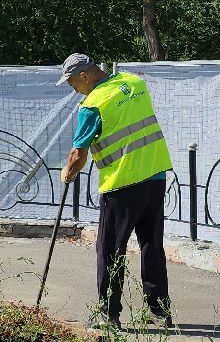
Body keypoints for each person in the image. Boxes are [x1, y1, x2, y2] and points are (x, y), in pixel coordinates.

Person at [56, 53, 174, 326]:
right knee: (152, 245)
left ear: (85, 75)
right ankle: (160, 311)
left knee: (110, 249)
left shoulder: (93, 105)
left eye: (72, 82)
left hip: (121, 184)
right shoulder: (135, 83)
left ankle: (108, 314)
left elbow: (78, 155)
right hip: (155, 175)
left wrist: (67, 174)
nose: (73, 89)